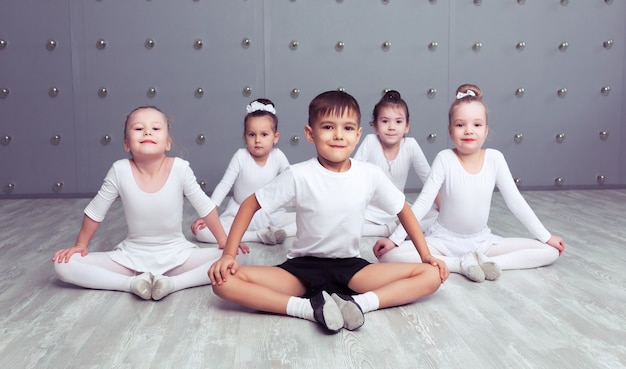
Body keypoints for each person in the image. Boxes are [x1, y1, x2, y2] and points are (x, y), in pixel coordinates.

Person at [208, 90, 448, 334]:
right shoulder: (299, 174)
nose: (338, 135)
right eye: (328, 127)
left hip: (351, 268)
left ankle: (357, 304)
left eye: (347, 128)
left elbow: (403, 209)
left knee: (431, 274)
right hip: (302, 269)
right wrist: (229, 255)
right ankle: (309, 309)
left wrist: (426, 255)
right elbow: (250, 204)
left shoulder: (369, 174)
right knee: (222, 282)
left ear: (358, 135)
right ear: (310, 134)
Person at [52, 106, 250, 300]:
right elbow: (95, 211)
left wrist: (224, 242)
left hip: (178, 255)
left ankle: (173, 284)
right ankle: (132, 284)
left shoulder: (179, 168)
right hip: (130, 258)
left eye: (155, 128)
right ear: (126, 144)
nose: (147, 131)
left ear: (168, 143)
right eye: (138, 128)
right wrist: (80, 245)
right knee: (63, 265)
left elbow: (205, 208)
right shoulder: (120, 170)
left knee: (239, 257)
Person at [374, 84, 566, 282]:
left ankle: (490, 263)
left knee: (549, 251)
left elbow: (515, 201)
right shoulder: (445, 158)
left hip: (483, 242)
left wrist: (546, 236)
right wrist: (395, 239)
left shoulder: (495, 159)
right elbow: (423, 203)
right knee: (389, 256)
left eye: (476, 125)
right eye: (460, 125)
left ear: (485, 130)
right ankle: (459, 264)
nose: (468, 131)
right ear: (450, 131)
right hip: (443, 242)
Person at [191, 98, 295, 245]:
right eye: (252, 134)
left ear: (275, 137)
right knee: (202, 232)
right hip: (239, 214)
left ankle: (280, 232)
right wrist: (209, 214)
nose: (257, 140)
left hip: (271, 213)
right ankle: (257, 235)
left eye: (264, 135)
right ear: (245, 137)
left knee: (309, 219)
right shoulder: (241, 156)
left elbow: (292, 180)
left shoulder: (277, 156)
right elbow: (224, 185)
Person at [354, 90, 440, 236]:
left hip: (398, 210)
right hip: (370, 211)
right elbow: (353, 175)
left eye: (398, 122)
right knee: (346, 225)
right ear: (375, 125)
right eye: (385, 121)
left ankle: (396, 228)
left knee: (438, 216)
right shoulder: (370, 141)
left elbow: (429, 180)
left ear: (407, 126)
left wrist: (444, 209)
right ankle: (389, 230)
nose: (391, 127)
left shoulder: (410, 145)